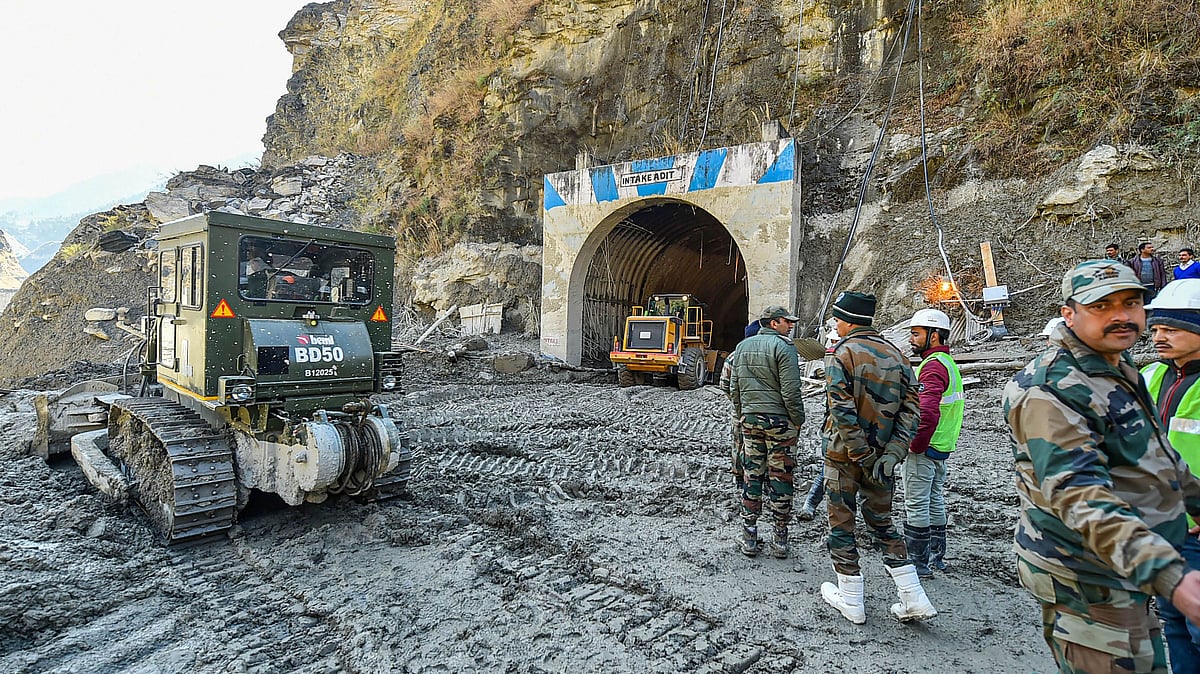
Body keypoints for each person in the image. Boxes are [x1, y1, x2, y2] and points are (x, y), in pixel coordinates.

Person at [1003, 259, 1200, 673]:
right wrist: (1172, 577)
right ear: (1069, 314)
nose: (1121, 316)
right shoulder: (1051, 387)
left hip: (1131, 564)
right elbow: (1079, 494)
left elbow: (1157, 456)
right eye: (1101, 306)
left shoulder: (1118, 368)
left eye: (1131, 303)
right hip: (1086, 577)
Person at [818, 291, 935, 624]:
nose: (836, 326)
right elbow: (912, 412)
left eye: (837, 320)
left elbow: (841, 411)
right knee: (882, 523)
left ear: (848, 321)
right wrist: (893, 454)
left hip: (844, 458)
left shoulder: (842, 354)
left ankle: (851, 600)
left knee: (841, 524)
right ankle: (913, 597)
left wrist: (861, 454)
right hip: (884, 459)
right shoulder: (898, 356)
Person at [1142, 279, 1200, 673]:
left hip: (1195, 530)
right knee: (1174, 624)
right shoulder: (1149, 376)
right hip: (1161, 527)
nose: (1159, 337)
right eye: (1157, 328)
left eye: (1173, 329)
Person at [726, 306, 806, 559]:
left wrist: (743, 413)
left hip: (750, 421)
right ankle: (780, 537)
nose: (790, 325)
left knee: (752, 474)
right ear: (773, 323)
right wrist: (798, 420)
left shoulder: (741, 348)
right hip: (779, 422)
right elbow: (791, 391)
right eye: (786, 321)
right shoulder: (784, 347)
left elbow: (734, 388)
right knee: (780, 476)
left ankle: (749, 534)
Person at [903, 308, 964, 579]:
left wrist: (914, 445)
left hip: (926, 448)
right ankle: (937, 557)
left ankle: (919, 563)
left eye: (916, 334)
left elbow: (927, 413)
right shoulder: (948, 363)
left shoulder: (933, 366)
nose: (911, 339)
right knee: (934, 499)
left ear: (934, 335)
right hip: (941, 446)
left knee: (917, 503)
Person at [798, 324, 841, 521]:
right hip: (834, 428)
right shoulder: (835, 362)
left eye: (834, 341)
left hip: (846, 429)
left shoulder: (850, 362)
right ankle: (810, 504)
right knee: (829, 467)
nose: (832, 345)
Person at [720, 319, 763, 491]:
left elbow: (724, 384)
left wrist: (736, 401)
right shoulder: (767, 354)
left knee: (738, 442)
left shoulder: (734, 356)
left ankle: (738, 475)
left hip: (740, 409)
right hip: (762, 408)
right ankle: (761, 476)